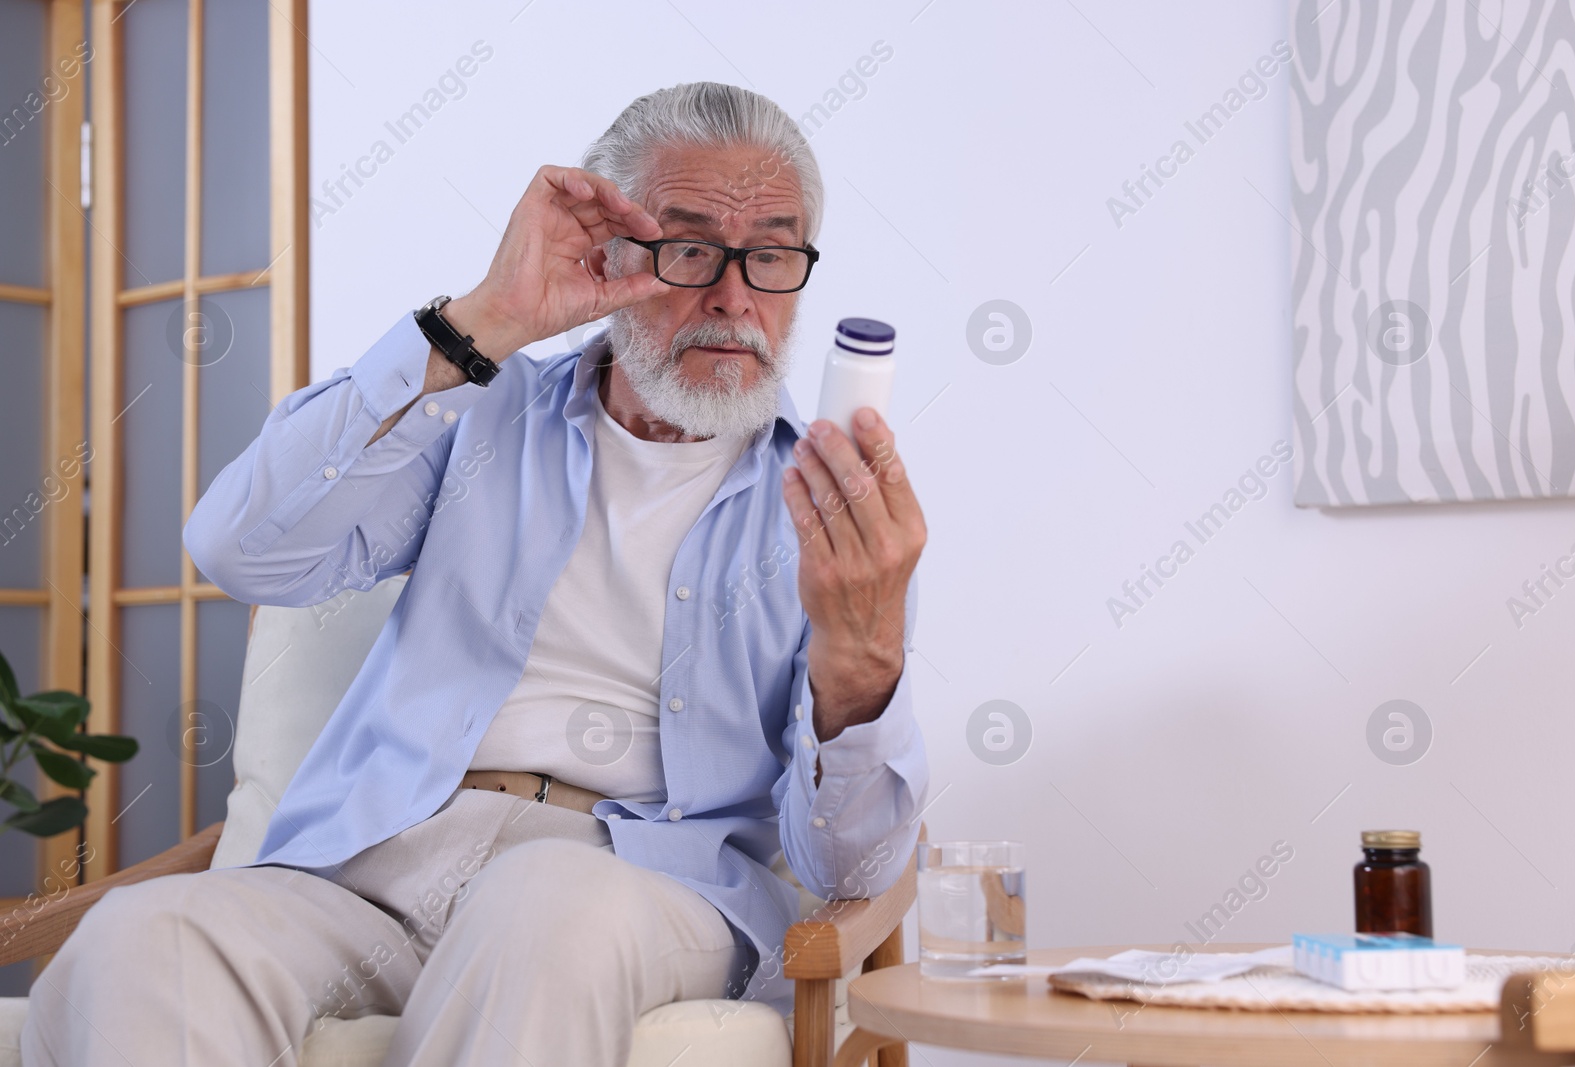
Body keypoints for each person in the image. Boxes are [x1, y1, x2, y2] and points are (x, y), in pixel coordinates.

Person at [23, 81, 929, 1066]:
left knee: (542, 900)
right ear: (614, 253)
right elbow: (240, 547)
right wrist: (481, 321)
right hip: (374, 862)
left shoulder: (841, 512)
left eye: (770, 254)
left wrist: (861, 664)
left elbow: (854, 863)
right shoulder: (486, 408)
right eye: (690, 246)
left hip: (633, 882)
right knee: (137, 940)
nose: (733, 295)